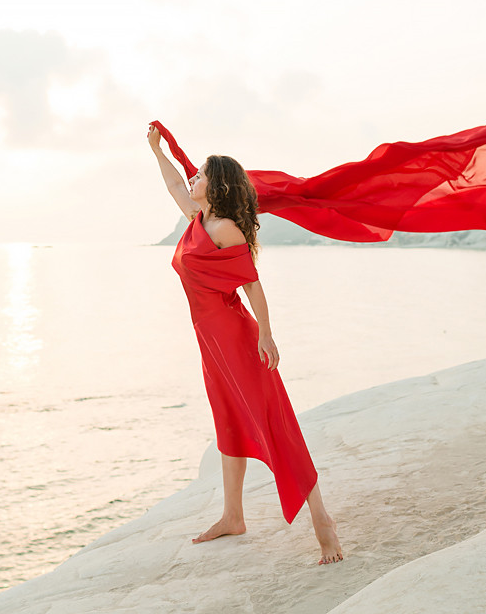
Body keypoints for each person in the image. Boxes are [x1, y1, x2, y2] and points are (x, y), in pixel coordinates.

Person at [147, 123, 344, 566]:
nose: (191, 178)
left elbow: (253, 286)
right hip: (211, 343)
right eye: (193, 175)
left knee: (275, 425)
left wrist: (267, 334)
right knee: (229, 423)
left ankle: (323, 522)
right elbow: (175, 183)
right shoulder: (199, 219)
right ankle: (233, 516)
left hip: (236, 340)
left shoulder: (224, 228)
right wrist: (156, 151)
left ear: (215, 188)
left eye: (200, 175)